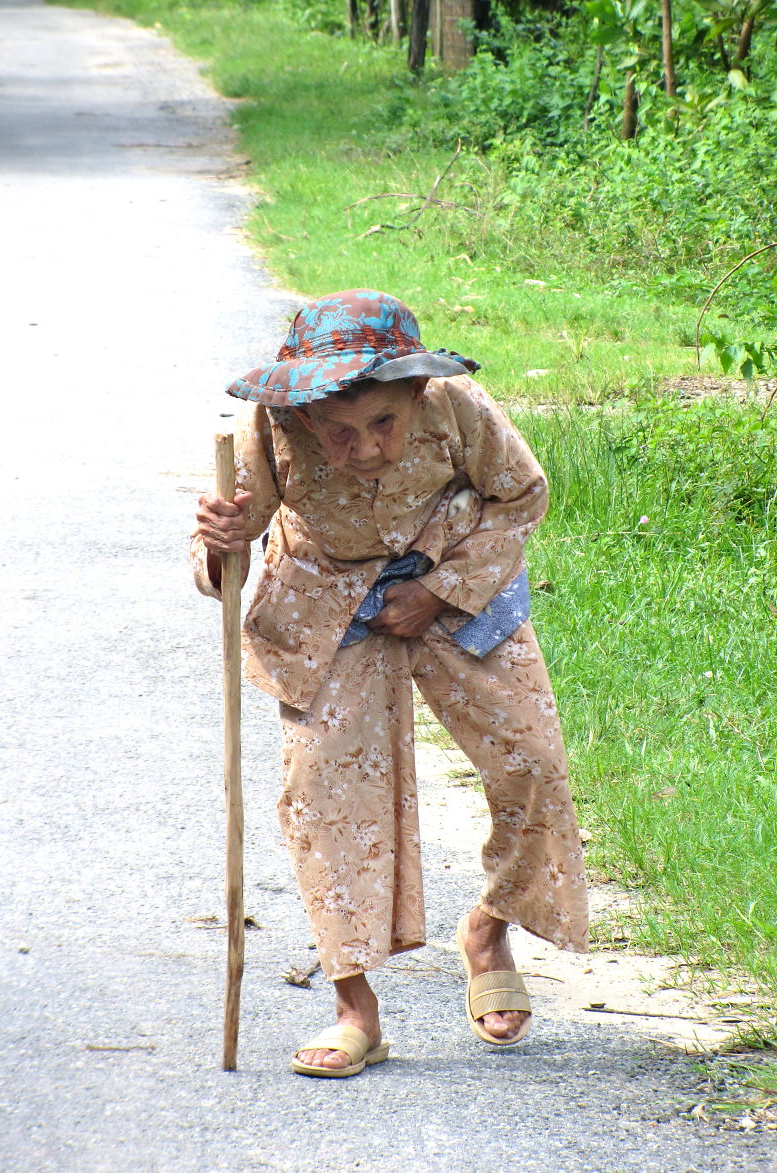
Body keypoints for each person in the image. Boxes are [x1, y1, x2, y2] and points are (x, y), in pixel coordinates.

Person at [193, 289, 588, 1078]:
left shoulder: (455, 405)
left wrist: (439, 590)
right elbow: (223, 564)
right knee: (320, 789)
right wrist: (221, 543)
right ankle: (355, 1008)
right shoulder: (268, 429)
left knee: (531, 756)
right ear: (307, 417)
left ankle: (489, 926)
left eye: (384, 423)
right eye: (340, 432)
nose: (366, 448)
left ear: (415, 394)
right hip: (323, 597)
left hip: (455, 576)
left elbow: (523, 494)